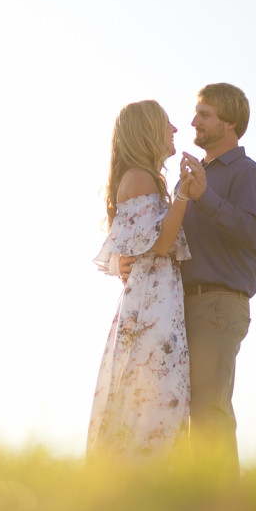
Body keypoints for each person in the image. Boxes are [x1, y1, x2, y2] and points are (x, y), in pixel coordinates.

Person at [124, 83, 256, 476]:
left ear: (230, 123)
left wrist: (205, 198)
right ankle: (191, 505)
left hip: (218, 305)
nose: (193, 122)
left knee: (209, 410)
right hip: (178, 306)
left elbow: (251, 233)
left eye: (204, 115)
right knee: (175, 411)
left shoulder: (249, 176)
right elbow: (166, 237)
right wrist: (131, 260)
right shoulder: (191, 177)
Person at [87, 100, 197, 461]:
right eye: (168, 123)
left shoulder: (138, 179)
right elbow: (162, 243)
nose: (175, 130)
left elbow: (133, 246)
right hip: (154, 309)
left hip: (152, 303)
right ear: (149, 130)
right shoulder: (141, 178)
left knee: (146, 401)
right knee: (153, 402)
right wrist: (184, 193)